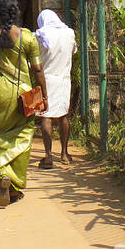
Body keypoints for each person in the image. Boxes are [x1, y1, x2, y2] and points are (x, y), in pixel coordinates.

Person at [0, 0, 47, 207]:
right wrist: (43, 94)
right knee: (22, 137)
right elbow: (38, 70)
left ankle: (1, 179)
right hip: (24, 95)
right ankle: (12, 184)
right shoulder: (27, 38)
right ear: (17, 13)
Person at [34, 9, 77, 167]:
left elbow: (34, 56)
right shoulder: (69, 33)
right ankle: (64, 153)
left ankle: (48, 155)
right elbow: (73, 51)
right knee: (63, 115)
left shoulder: (39, 35)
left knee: (46, 116)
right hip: (64, 78)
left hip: (45, 79)